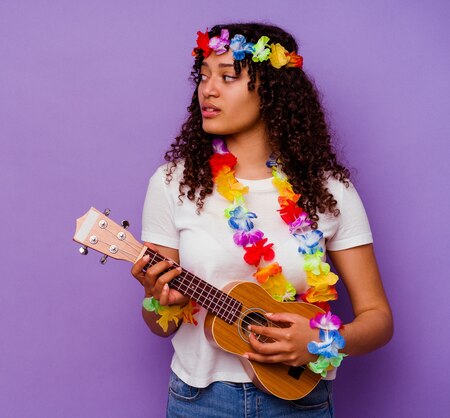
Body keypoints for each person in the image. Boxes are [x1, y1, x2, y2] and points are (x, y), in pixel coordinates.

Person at [130, 23, 393, 417]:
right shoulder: (174, 183)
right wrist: (159, 300)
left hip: (300, 399)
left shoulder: (329, 189)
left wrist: (322, 341)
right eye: (203, 76)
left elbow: (379, 319)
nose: (208, 89)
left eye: (227, 77)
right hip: (201, 401)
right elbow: (161, 324)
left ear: (271, 91)